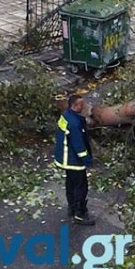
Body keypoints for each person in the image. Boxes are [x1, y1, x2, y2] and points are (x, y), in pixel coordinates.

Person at [54, 94, 95, 226]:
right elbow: (79, 145)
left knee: (70, 184)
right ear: (75, 106)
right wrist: (87, 160)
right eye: (81, 105)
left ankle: (71, 208)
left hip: (65, 158)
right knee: (80, 187)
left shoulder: (66, 115)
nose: (84, 107)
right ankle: (80, 214)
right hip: (73, 160)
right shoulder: (74, 123)